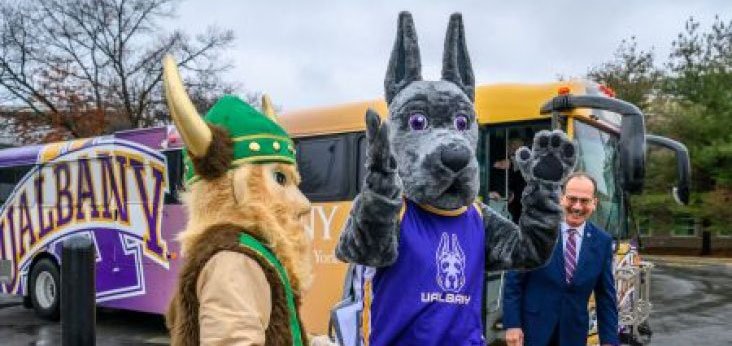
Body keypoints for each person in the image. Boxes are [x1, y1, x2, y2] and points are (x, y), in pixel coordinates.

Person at [502, 172, 619, 346]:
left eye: (585, 201)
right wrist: (512, 325)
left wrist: (609, 340)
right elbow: (514, 281)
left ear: (595, 203)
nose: (577, 207)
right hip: (531, 332)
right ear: (560, 198)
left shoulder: (602, 242)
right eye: (572, 199)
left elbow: (605, 297)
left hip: (573, 335)